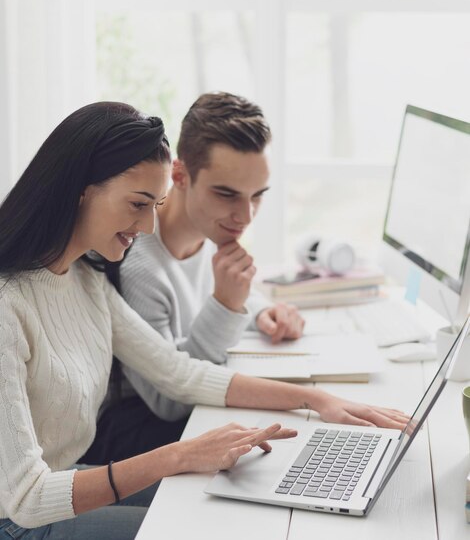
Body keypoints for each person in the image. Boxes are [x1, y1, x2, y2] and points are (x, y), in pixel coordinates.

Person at [0, 101, 408, 539]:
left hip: (64, 481)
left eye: (155, 205)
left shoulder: (84, 276)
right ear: (79, 189)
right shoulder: (9, 306)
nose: (150, 226)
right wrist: (181, 455)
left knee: (236, 507)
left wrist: (315, 400)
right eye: (138, 204)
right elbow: (27, 498)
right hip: (19, 518)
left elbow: (179, 372)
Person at [81, 92, 307, 464]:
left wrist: (262, 310)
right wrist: (227, 305)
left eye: (257, 196)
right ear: (180, 175)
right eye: (226, 194)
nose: (245, 216)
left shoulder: (209, 233)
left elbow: (206, 301)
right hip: (128, 438)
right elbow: (168, 400)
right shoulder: (135, 262)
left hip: (178, 421)